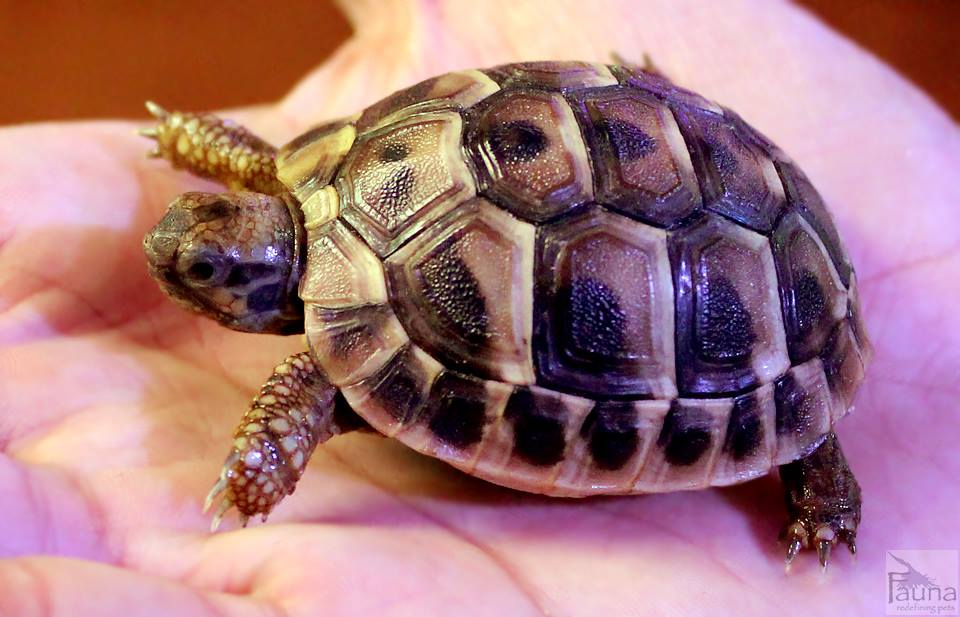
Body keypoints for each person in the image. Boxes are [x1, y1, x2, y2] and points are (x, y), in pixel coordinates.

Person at [1, 1, 957, 615]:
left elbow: (307, 388)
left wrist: (254, 472)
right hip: (688, 143)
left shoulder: (316, 350)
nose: (182, 267)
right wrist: (194, 141)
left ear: (257, 291)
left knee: (320, 379)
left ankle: (819, 473)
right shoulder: (322, 171)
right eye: (206, 259)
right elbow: (260, 163)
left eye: (208, 272)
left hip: (736, 268)